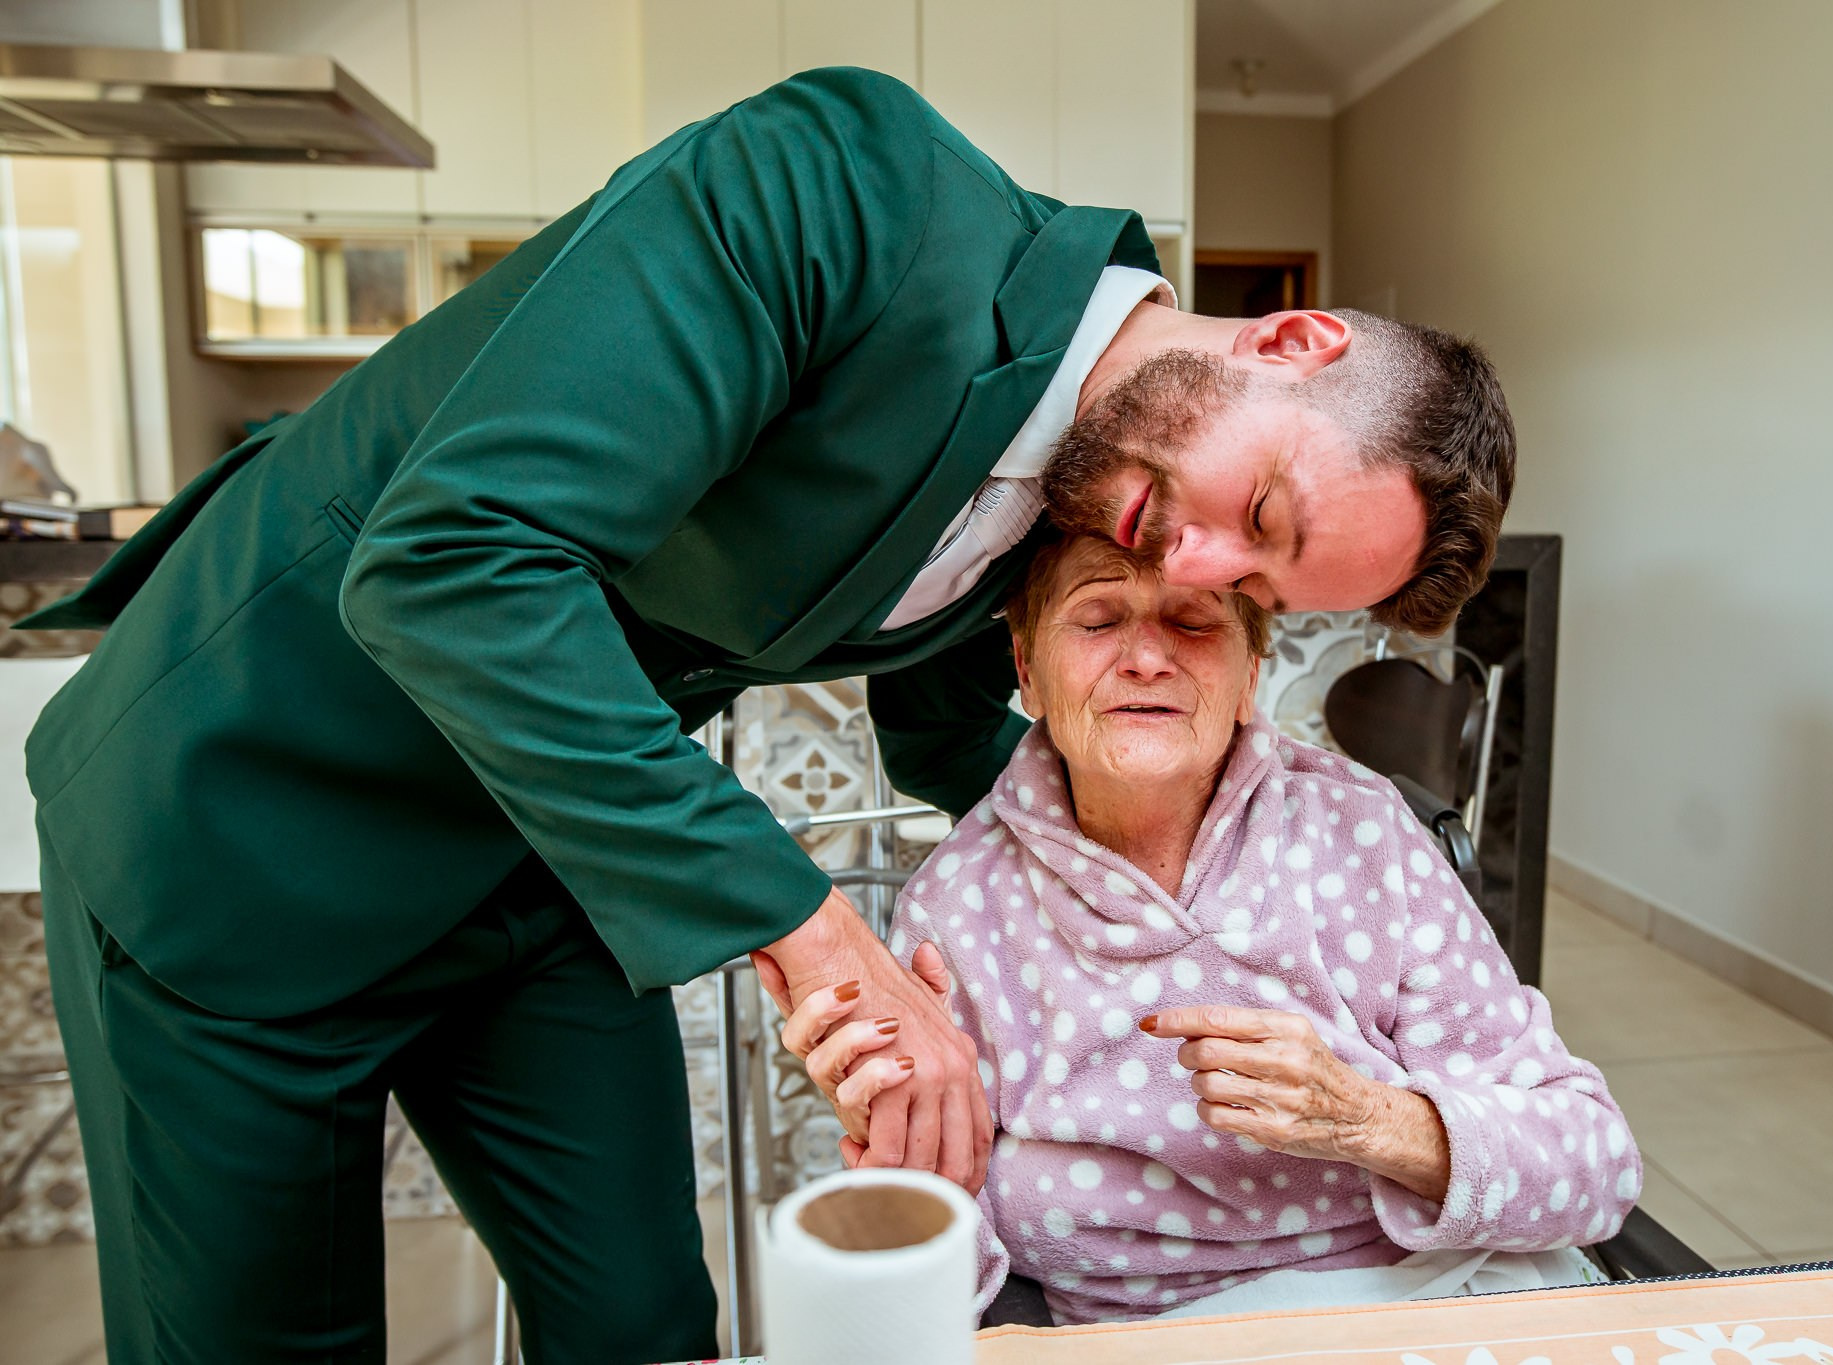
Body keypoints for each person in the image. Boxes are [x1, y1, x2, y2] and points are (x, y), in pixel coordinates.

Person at [19, 66, 1513, 1363]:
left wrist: (1192, 874)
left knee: (648, 1327)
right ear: (1295, 340)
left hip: (534, 865)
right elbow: (448, 568)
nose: (1190, 565)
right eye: (1256, 505)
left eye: (1259, 576)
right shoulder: (847, 183)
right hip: (242, 819)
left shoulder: (1068, 485)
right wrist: (820, 936)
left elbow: (946, 741)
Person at [769, 534, 1628, 1324]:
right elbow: (964, 1287)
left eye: (1193, 619)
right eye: (1099, 617)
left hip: (1413, 1308)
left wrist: (1370, 1118)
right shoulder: (957, 905)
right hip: (1134, 1338)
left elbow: (1596, 1163)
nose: (1146, 657)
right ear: (1028, 670)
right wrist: (914, 1170)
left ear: (1250, 670)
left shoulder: (1362, 833)